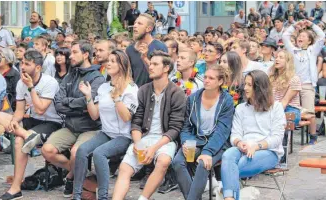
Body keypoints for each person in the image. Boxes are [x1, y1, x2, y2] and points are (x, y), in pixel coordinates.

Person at [112, 51, 186, 200]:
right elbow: (136, 121)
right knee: (124, 168)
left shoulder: (177, 93)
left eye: (155, 64)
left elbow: (174, 128)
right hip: (144, 137)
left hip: (164, 140)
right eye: (150, 63)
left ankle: (143, 198)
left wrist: (153, 149)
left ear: (166, 68)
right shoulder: (144, 90)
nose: (150, 67)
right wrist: (138, 143)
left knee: (163, 161)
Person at [0, 49, 63, 200]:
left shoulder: (49, 82)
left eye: (27, 64)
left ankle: (15, 188)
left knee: (19, 141)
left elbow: (40, 109)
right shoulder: (21, 83)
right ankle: (27, 135)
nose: (22, 67)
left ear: (38, 67)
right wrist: (14, 121)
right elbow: (19, 111)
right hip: (33, 120)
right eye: (22, 63)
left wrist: (31, 87)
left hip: (52, 122)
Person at [42, 40, 105, 198]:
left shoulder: (97, 78)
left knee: (77, 152)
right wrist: (78, 107)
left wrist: (70, 104)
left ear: (85, 54)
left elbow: (89, 103)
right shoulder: (71, 74)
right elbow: (58, 102)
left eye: (75, 52)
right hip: (70, 127)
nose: (70, 55)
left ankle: (71, 178)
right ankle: (76, 172)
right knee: (47, 150)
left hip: (90, 128)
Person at [72, 50, 139, 200]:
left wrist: (117, 98)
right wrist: (88, 96)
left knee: (99, 153)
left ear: (122, 65)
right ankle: (76, 195)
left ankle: (103, 197)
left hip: (124, 136)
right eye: (108, 60)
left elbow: (127, 117)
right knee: (82, 150)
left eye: (114, 61)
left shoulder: (131, 88)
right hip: (107, 133)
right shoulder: (103, 87)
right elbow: (95, 115)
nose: (108, 63)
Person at [221, 70, 286, 200]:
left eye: (249, 85)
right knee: (227, 155)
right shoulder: (241, 108)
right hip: (243, 148)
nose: (245, 88)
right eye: (245, 84)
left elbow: (277, 138)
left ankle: (227, 193)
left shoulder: (276, 107)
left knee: (233, 168)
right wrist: (239, 142)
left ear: (260, 87)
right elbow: (235, 134)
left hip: (268, 151)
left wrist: (257, 146)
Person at [173, 65, 234, 200]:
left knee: (203, 164)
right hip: (195, 140)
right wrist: (186, 142)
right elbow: (186, 126)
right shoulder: (193, 98)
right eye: (205, 77)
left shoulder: (227, 100)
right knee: (178, 162)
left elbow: (222, 131)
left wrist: (207, 152)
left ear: (220, 82)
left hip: (217, 143)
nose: (206, 80)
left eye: (211, 78)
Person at [282, 19, 325, 144]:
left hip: (307, 85)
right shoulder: (293, 50)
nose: (300, 37)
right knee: (289, 110)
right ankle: (286, 138)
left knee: (310, 112)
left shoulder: (313, 50)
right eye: (299, 36)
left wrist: (311, 25)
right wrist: (294, 26)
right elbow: (285, 36)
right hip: (292, 86)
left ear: (309, 40)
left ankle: (313, 137)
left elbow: (322, 35)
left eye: (303, 36)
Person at [126, 13, 168, 87]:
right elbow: (128, 75)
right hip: (135, 94)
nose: (135, 26)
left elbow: (162, 74)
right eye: (135, 23)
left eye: (139, 24)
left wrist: (145, 58)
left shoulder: (159, 47)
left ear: (149, 29)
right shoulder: (129, 49)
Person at [269, 50, 302, 126]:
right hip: (274, 107)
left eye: (281, 57)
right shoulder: (271, 77)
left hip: (290, 109)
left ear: (287, 62)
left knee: (277, 120)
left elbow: (285, 101)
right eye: (276, 57)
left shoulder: (294, 78)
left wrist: (273, 113)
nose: (277, 59)